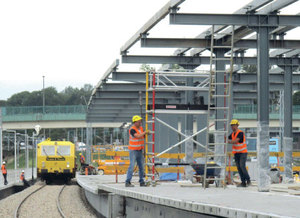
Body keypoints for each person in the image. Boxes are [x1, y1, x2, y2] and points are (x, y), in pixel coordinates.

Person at [125, 115, 149, 187]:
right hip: (133, 150)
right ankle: (128, 181)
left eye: (140, 121)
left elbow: (142, 138)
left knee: (141, 166)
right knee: (132, 166)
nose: (140, 123)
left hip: (140, 150)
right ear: (135, 122)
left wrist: (146, 133)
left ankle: (141, 181)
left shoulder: (141, 128)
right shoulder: (132, 129)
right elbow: (137, 136)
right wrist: (145, 132)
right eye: (139, 122)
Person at [228, 119, 251, 187]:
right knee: (239, 167)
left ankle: (248, 180)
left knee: (242, 166)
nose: (232, 127)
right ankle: (243, 182)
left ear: (237, 125)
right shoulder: (232, 134)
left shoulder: (240, 133)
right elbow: (227, 138)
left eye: (234, 125)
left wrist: (229, 141)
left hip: (243, 153)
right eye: (231, 125)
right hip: (236, 153)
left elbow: (235, 141)